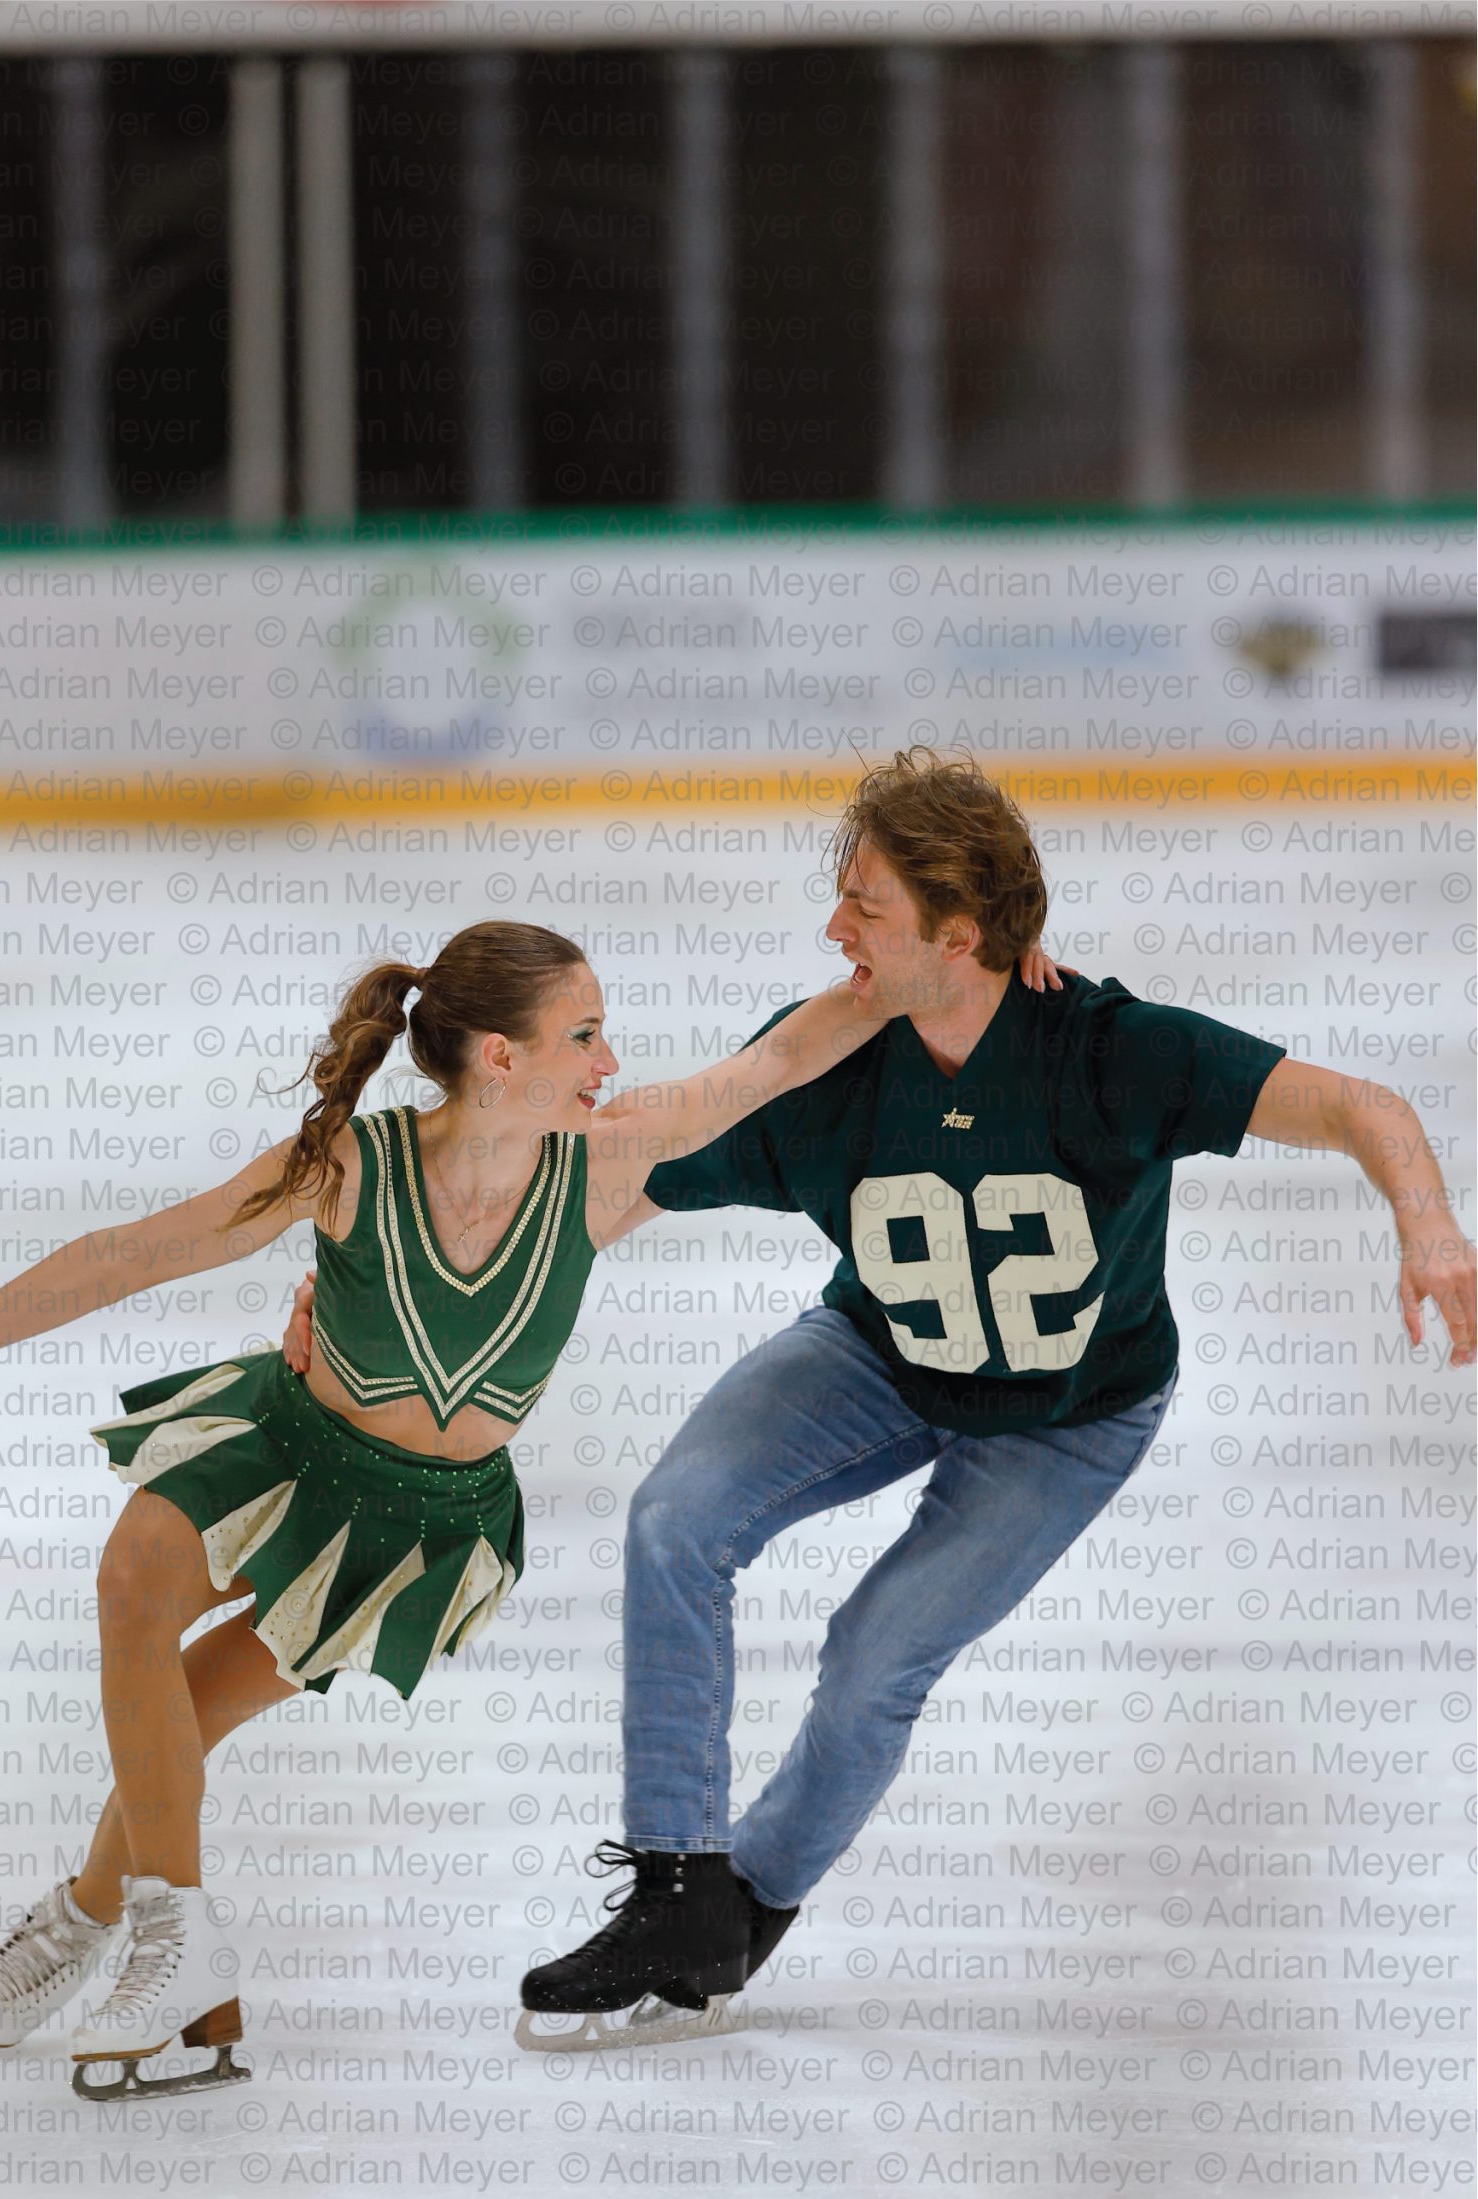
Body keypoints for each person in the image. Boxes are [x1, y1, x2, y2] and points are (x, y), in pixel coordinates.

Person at [0, 922, 892, 2098]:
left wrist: (910, 973)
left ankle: (85, 1916)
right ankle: (173, 1937)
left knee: (195, 1709)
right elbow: (137, 1254)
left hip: (412, 1529)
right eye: (581, 1035)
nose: (607, 1061)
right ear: (496, 1058)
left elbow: (775, 1062)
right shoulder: (350, 1165)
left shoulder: (605, 1166)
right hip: (284, 1449)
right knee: (130, 1585)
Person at [482, 745, 1471, 2045]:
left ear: (962, 939)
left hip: (1069, 1420)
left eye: (867, 910)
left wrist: (1431, 1228)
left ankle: (746, 1906)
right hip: (876, 1359)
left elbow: (1362, 1107)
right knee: (677, 1520)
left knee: (876, 1655)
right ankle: (673, 1888)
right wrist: (466, 1322)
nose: (833, 929)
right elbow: (623, 1192)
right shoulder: (827, 1063)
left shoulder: (1116, 1057)